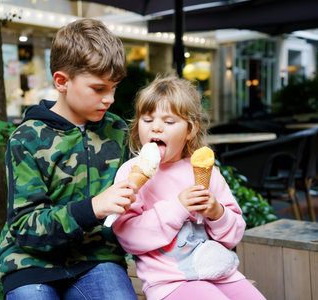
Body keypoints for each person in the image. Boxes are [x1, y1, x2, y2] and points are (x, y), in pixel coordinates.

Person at [0, 18, 138, 300]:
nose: (109, 98)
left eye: (114, 87)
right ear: (62, 81)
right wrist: (93, 208)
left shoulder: (118, 130)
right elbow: (25, 227)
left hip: (97, 260)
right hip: (30, 263)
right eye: (99, 89)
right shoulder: (26, 139)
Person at [112, 76, 266, 300]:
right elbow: (129, 237)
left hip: (221, 273)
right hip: (170, 281)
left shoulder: (205, 170)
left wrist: (217, 213)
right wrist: (177, 207)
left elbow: (233, 236)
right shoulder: (131, 173)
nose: (156, 127)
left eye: (169, 121)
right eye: (147, 119)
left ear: (190, 130)